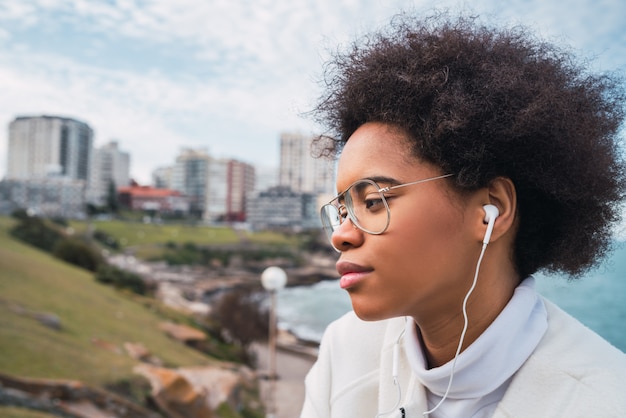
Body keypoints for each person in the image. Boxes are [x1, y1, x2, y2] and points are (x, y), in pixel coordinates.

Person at [300, 13, 626, 418]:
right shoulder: (344, 351)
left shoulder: (606, 401)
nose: (341, 236)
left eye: (375, 201)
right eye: (343, 209)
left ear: (493, 210)